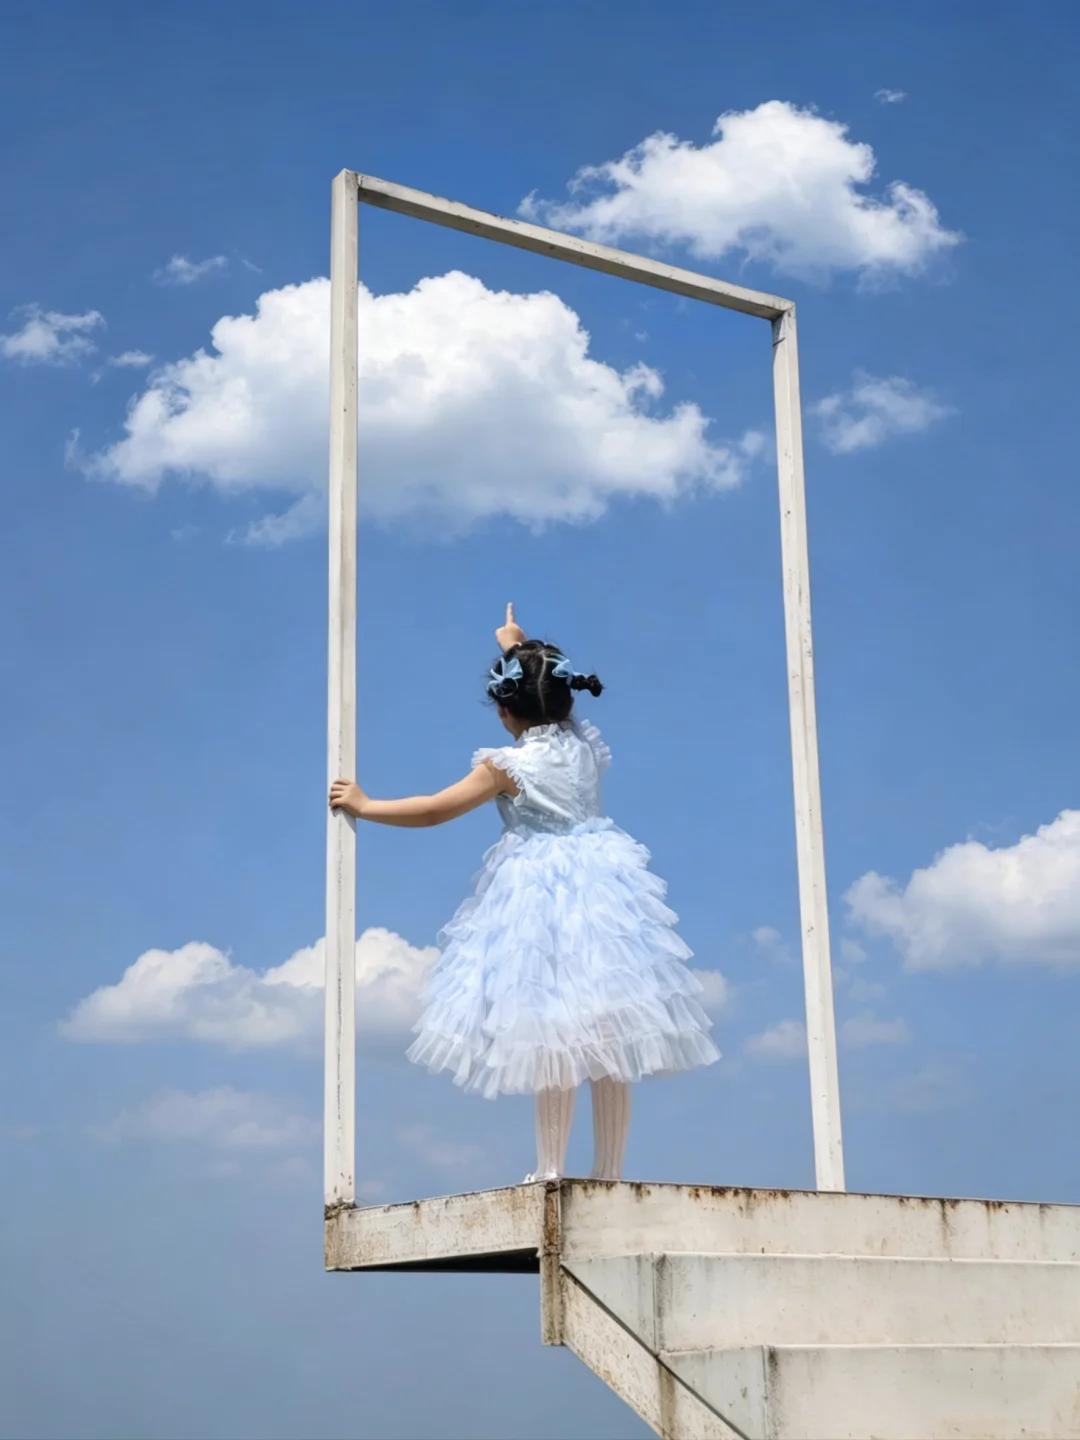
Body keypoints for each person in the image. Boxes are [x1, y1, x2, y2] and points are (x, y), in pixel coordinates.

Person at [329, 604, 719, 1183]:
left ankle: (551, 1168)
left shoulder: (505, 766)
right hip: (606, 891)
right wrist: (514, 646)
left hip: (540, 892)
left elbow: (434, 811)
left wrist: (366, 805)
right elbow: (543, 688)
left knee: (551, 1029)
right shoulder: (583, 744)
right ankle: (610, 1170)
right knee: (611, 1032)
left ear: (504, 709)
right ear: (565, 702)